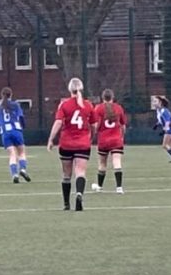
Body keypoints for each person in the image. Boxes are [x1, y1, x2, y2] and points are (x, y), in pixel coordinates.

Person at [47, 78, 97, 211]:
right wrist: (91, 136)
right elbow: (94, 125)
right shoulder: (88, 105)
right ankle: (79, 194)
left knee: (66, 174)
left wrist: (51, 139)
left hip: (66, 144)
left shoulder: (64, 105)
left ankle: (66, 203)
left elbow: (58, 122)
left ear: (70, 89)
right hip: (83, 144)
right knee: (80, 172)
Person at [0, 87, 31, 184]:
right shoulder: (16, 105)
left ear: (2, 95)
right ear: (11, 95)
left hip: (5, 133)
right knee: (21, 152)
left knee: (12, 154)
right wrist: (23, 126)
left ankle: (14, 174)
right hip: (16, 131)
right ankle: (22, 169)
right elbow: (21, 117)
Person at [93, 89, 127, 194]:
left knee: (102, 163)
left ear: (102, 98)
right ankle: (119, 187)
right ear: (113, 97)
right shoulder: (118, 108)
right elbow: (123, 125)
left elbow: (96, 125)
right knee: (117, 162)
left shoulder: (98, 108)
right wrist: (121, 136)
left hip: (103, 140)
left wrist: (95, 133)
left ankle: (100, 186)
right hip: (116, 140)